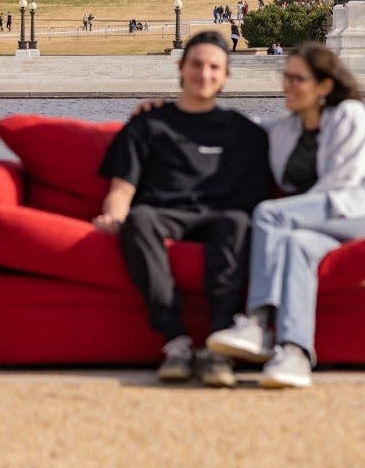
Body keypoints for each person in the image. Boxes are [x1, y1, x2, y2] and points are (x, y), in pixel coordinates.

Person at [207, 43, 365, 389]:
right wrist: (171, 113)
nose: (287, 86)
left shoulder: (349, 114)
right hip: (331, 218)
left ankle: (258, 322)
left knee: (271, 217)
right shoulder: (287, 129)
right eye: (286, 77)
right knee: (297, 244)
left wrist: (289, 213)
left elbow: (343, 185)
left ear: (324, 86)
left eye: (297, 79)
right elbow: (244, 128)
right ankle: (294, 353)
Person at [94, 31, 271, 387]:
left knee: (239, 224)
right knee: (139, 220)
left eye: (213, 67)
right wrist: (114, 214)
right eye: (197, 65)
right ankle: (176, 341)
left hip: (221, 216)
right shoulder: (148, 123)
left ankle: (219, 345)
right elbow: (122, 189)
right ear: (181, 67)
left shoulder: (245, 132)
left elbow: (255, 199)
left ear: (225, 75)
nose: (204, 74)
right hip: (162, 213)